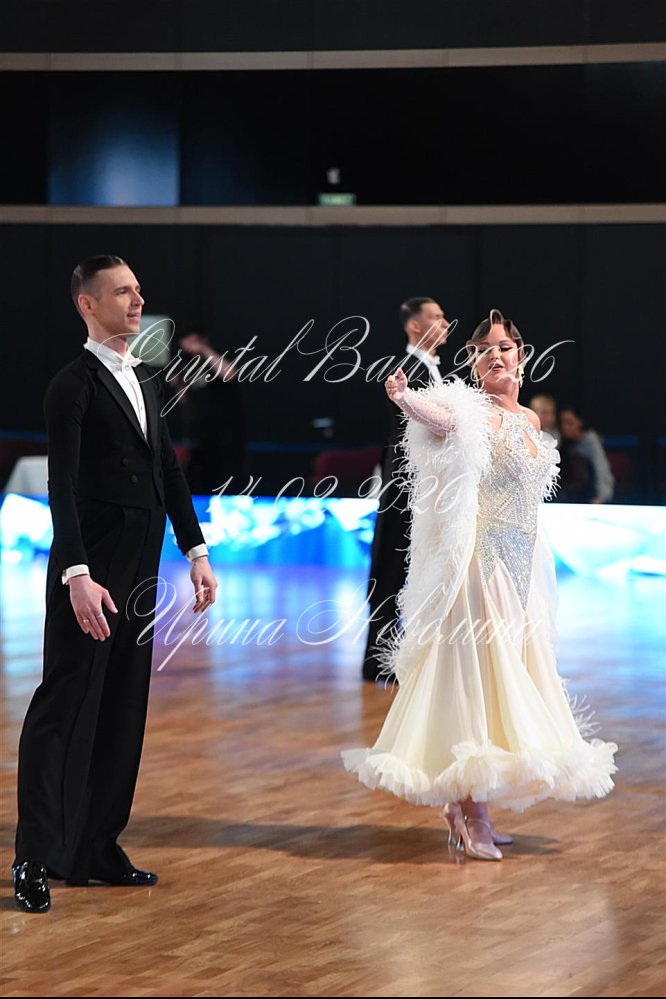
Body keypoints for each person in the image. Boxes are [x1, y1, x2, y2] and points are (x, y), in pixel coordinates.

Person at [343, 309, 618, 861]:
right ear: (472, 362)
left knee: (508, 679)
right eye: (483, 349)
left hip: (523, 567)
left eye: (504, 347)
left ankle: (468, 802)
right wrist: (404, 397)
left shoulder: (531, 421)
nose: (495, 355)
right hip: (479, 566)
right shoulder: (470, 413)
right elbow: (440, 420)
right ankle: (472, 812)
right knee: (476, 681)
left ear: (521, 355)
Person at [13, 255, 218, 912]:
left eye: (138, 290)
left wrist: (195, 549)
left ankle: (95, 846)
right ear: (88, 304)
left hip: (142, 567)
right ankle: (33, 855)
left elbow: (168, 472)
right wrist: (76, 574)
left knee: (123, 704)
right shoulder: (70, 386)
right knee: (64, 705)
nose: (137, 300)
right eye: (123, 291)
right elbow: (63, 486)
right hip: (92, 569)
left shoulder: (148, 377)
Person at [362, 297, 450, 682]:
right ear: (415, 326)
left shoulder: (434, 369)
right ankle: (380, 658)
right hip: (406, 488)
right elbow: (408, 434)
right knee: (392, 570)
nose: (445, 323)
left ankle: (412, 655)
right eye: (436, 317)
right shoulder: (405, 370)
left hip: (428, 488)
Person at [174, 328, 247, 494]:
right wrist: (179, 386)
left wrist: (204, 349)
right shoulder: (184, 364)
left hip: (225, 436)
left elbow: (229, 374)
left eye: (193, 340)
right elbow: (182, 401)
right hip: (197, 437)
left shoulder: (216, 356)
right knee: (197, 481)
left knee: (227, 480)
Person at [558, 406, 614, 504]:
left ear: (580, 422)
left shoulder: (591, 441)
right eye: (562, 423)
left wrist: (602, 497)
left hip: (587, 497)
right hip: (566, 497)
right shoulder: (562, 442)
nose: (565, 427)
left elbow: (601, 468)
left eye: (569, 423)